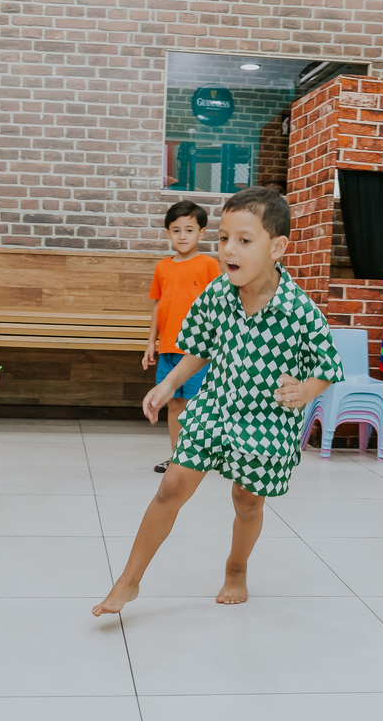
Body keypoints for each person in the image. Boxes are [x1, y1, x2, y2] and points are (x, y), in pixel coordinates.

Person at [93, 188, 344, 616]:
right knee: (171, 486)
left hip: (266, 421)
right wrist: (169, 384)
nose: (229, 249)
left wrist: (305, 391)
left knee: (247, 500)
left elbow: (327, 365)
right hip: (214, 406)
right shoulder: (217, 295)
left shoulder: (300, 311)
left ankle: (236, 567)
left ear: (278, 248)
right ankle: (129, 579)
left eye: (244, 240)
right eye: (224, 238)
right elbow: (200, 347)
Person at [142, 200, 221, 473]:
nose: (183, 236)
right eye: (176, 230)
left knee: (196, 405)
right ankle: (176, 457)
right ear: (168, 233)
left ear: (202, 233)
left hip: (197, 351)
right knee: (173, 402)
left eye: (189, 230)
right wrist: (151, 342)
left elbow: (219, 304)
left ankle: (196, 456)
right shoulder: (163, 267)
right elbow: (158, 305)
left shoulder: (209, 265)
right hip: (167, 348)